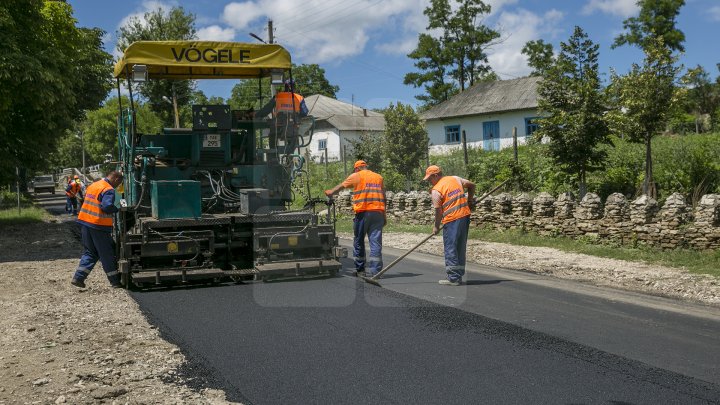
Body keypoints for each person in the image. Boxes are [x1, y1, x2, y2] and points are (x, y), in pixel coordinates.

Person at [325, 160, 386, 277]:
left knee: (358, 241)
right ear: (366, 167)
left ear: (357, 168)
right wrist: (384, 215)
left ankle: (360, 270)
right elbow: (384, 197)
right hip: (378, 213)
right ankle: (376, 272)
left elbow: (341, 186)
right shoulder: (378, 177)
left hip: (363, 213)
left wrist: (330, 192)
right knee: (376, 243)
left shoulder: (356, 175)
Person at [71, 171, 124, 289]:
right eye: (119, 183)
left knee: (90, 251)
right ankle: (115, 281)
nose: (118, 186)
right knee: (107, 252)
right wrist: (117, 209)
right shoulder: (108, 189)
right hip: (98, 225)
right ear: (115, 178)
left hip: (85, 222)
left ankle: (78, 278)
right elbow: (106, 206)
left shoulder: (94, 185)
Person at [424, 165, 476, 286]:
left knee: (451, 247)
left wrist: (436, 226)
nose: (429, 182)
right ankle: (459, 273)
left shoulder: (436, 190)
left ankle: (453, 278)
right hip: (464, 217)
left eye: (429, 179)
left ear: (436, 175)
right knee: (460, 246)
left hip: (452, 220)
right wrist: (470, 200)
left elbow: (438, 211)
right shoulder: (455, 178)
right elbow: (472, 185)